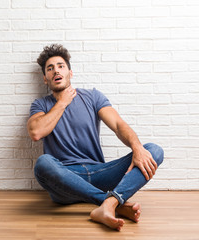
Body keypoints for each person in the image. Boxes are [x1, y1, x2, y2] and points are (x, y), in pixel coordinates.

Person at [27, 44, 164, 231]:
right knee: (43, 164)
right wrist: (63, 102)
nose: (55, 71)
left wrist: (137, 148)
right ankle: (113, 202)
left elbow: (118, 125)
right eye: (50, 68)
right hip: (67, 181)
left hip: (101, 173)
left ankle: (108, 204)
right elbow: (36, 132)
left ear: (70, 72)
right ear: (45, 78)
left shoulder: (92, 97)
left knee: (153, 151)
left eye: (60, 66)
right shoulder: (40, 105)